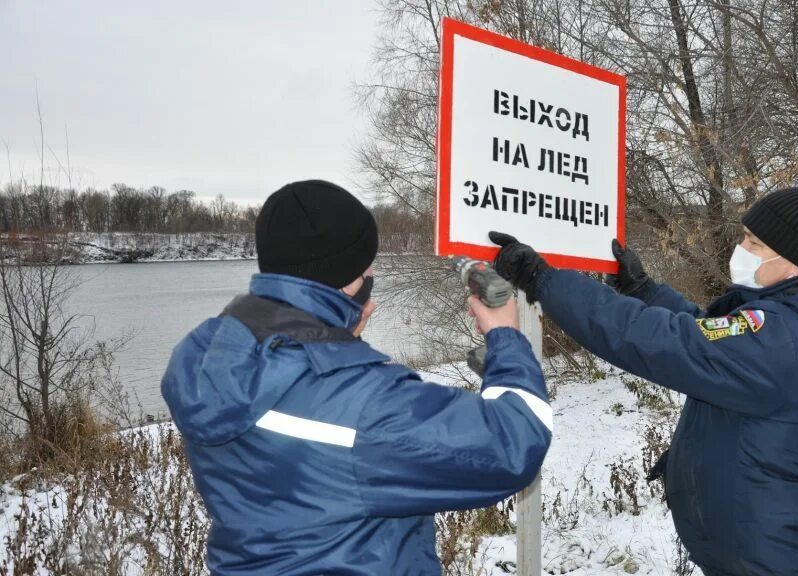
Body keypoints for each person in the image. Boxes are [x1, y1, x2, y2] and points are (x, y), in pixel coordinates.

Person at [489, 186, 798, 576]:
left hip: (777, 560)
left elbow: (664, 342)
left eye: (754, 243)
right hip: (789, 550)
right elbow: (712, 337)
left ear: (796, 262)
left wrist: (545, 281)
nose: (742, 250)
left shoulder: (789, 344)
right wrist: (644, 291)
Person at [161, 179, 552, 575]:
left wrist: (330, 341)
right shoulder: (364, 404)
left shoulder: (206, 361)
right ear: (348, 281)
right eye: (368, 270)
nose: (372, 285)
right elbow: (514, 443)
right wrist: (507, 337)